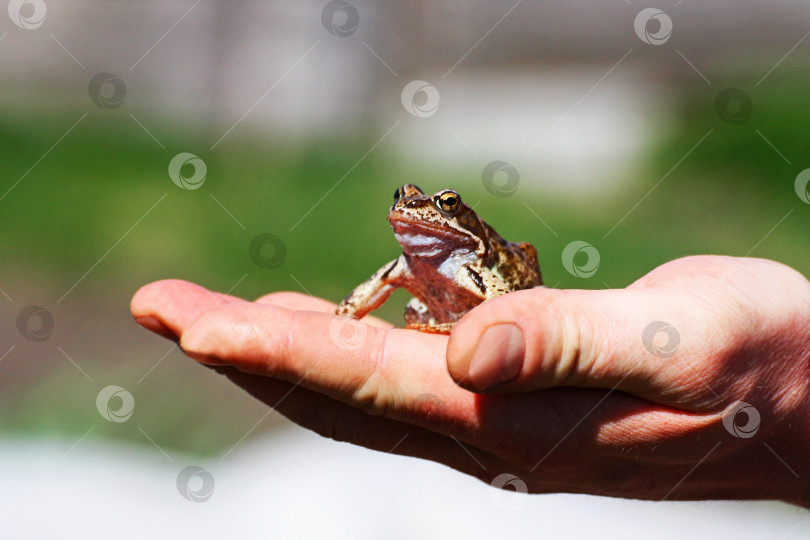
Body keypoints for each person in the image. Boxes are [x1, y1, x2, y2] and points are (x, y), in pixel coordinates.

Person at [130, 255, 810, 508]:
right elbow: (388, 281)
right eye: (406, 206)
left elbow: (515, 293)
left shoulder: (475, 257)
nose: (414, 213)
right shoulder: (411, 263)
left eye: (435, 206)